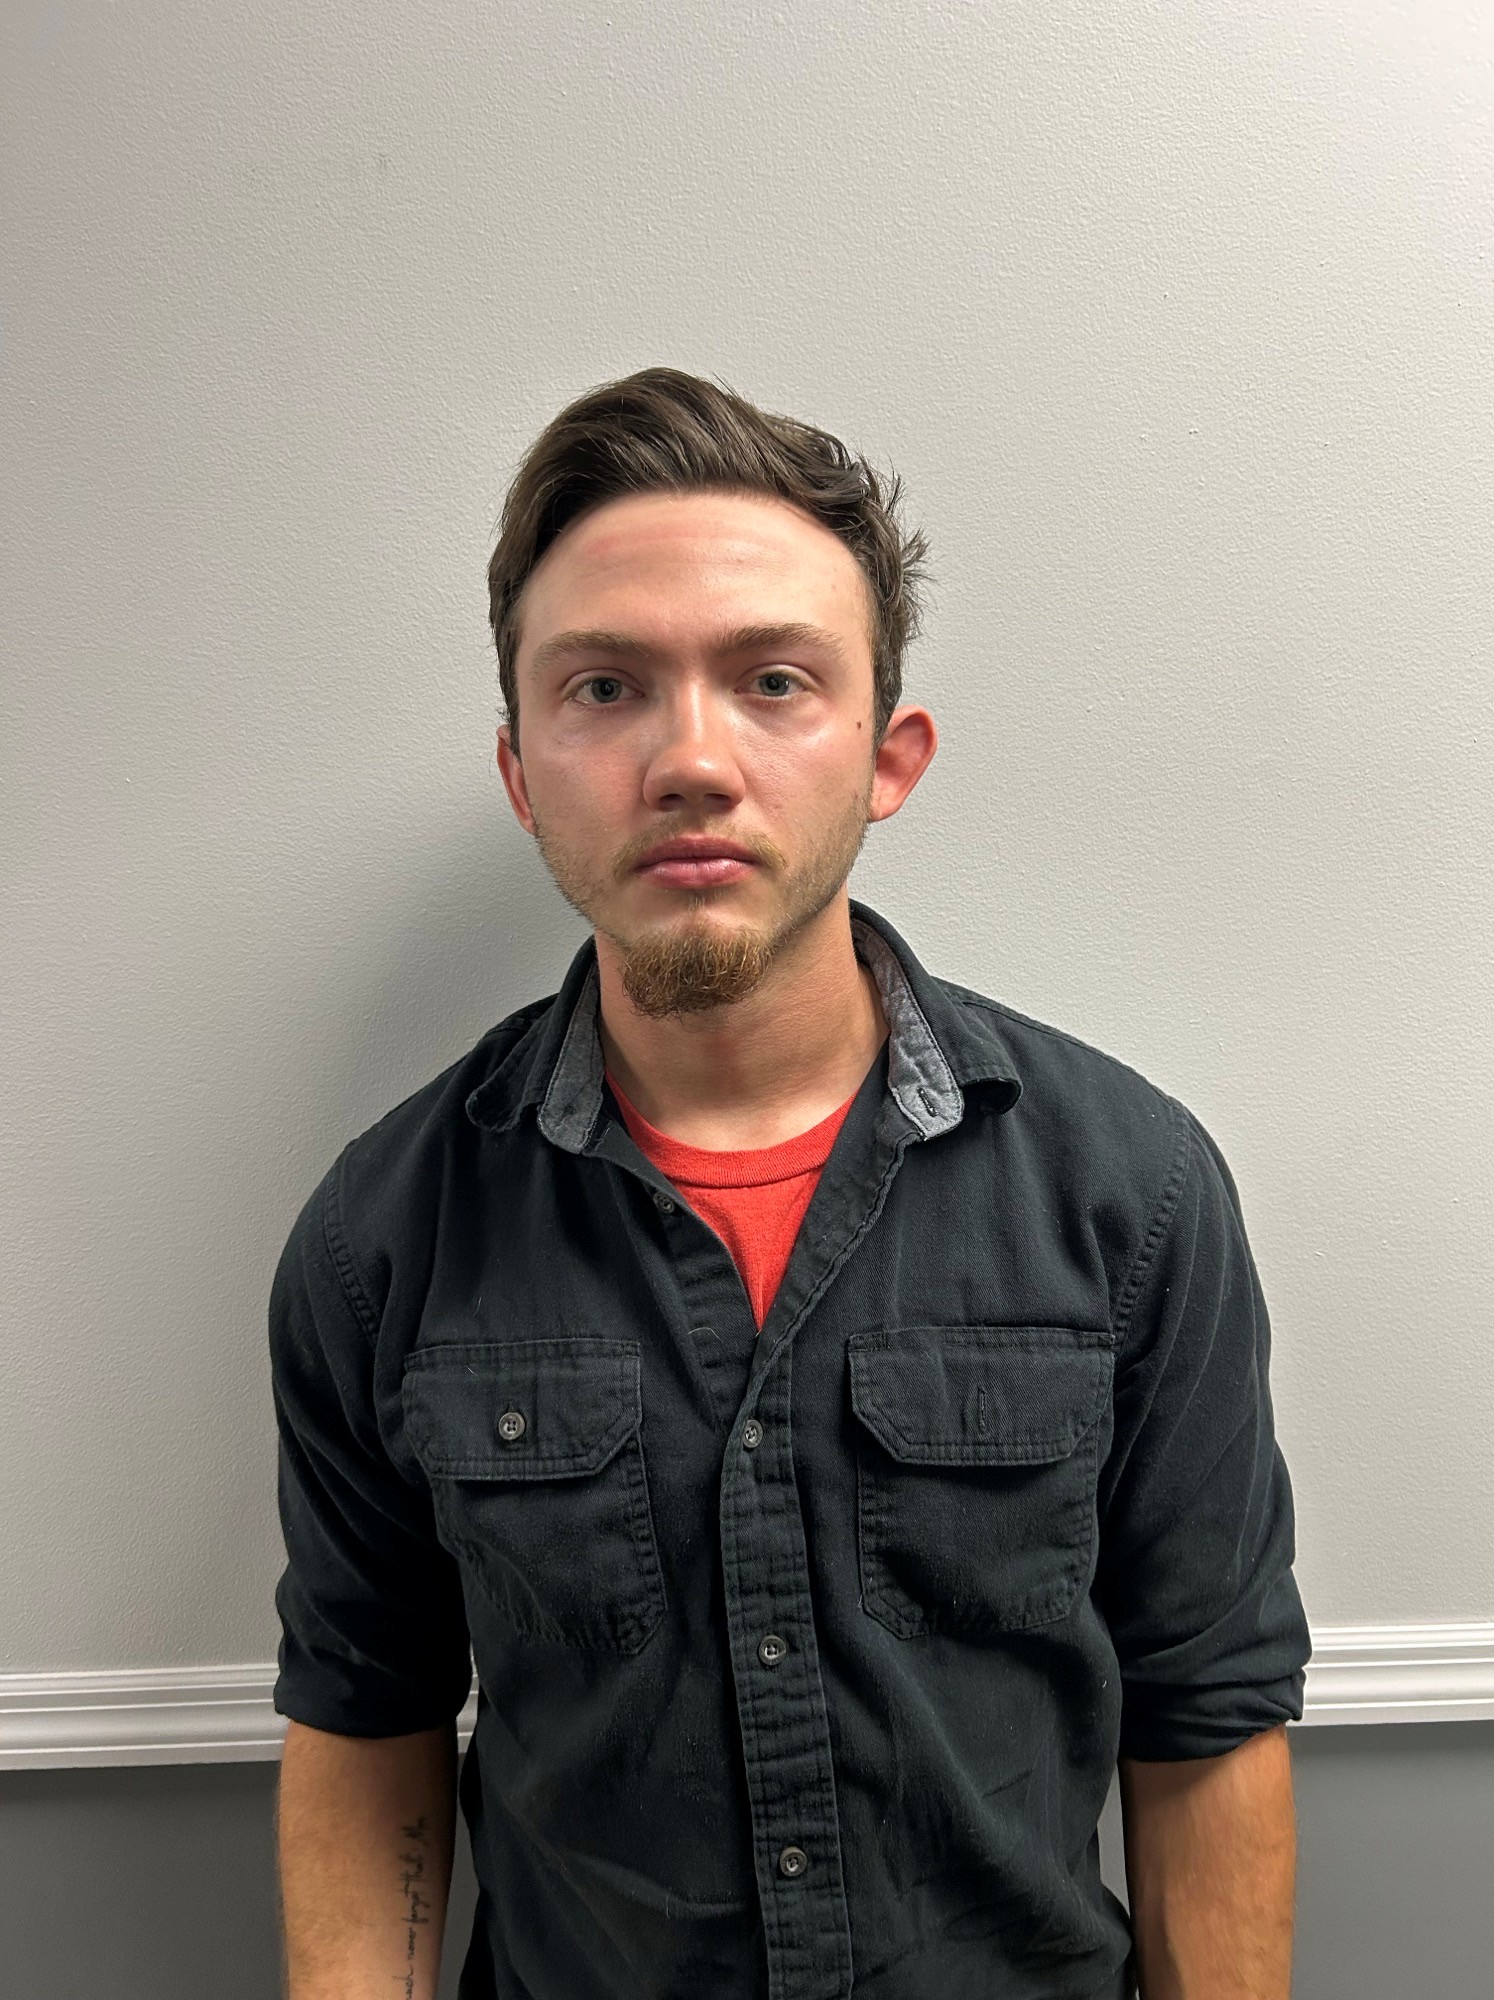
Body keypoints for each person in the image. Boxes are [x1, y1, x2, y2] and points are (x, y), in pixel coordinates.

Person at [269, 366, 1311, 2000]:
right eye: (604, 687)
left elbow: (1210, 1715)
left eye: (772, 681)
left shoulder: (1133, 1192)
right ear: (522, 770)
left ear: (888, 755)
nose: (691, 759)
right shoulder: (381, 1239)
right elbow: (364, 1718)